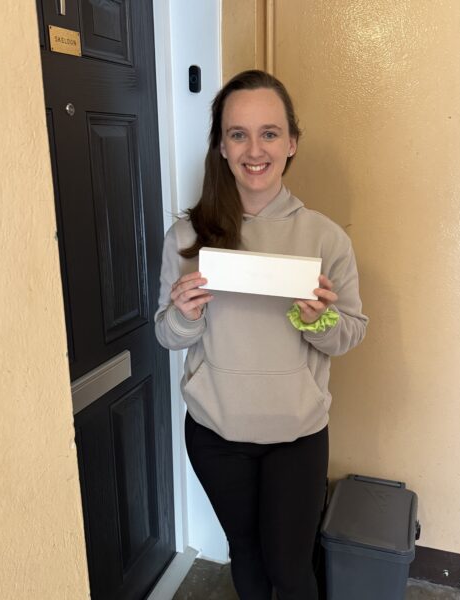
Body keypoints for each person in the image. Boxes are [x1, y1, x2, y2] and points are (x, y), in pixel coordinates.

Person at [155, 70, 368, 600]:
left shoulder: (325, 238)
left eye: (269, 133)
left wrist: (317, 319)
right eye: (238, 134)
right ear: (221, 146)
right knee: (246, 556)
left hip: (296, 436)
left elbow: (350, 333)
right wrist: (184, 314)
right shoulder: (187, 237)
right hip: (215, 432)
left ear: (291, 142)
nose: (255, 150)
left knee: (291, 571)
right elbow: (167, 335)